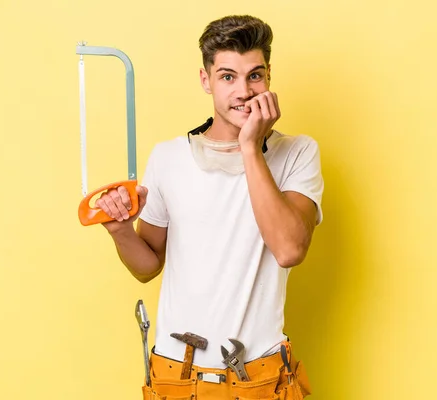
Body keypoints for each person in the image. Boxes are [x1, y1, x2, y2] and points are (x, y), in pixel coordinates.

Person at [96, 14, 323, 399]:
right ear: (206, 81)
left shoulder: (297, 153)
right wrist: (119, 229)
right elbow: (147, 266)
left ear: (269, 76)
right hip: (177, 377)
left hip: (259, 380)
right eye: (227, 76)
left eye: (255, 75)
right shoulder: (168, 157)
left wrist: (251, 145)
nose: (244, 91)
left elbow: (289, 249)